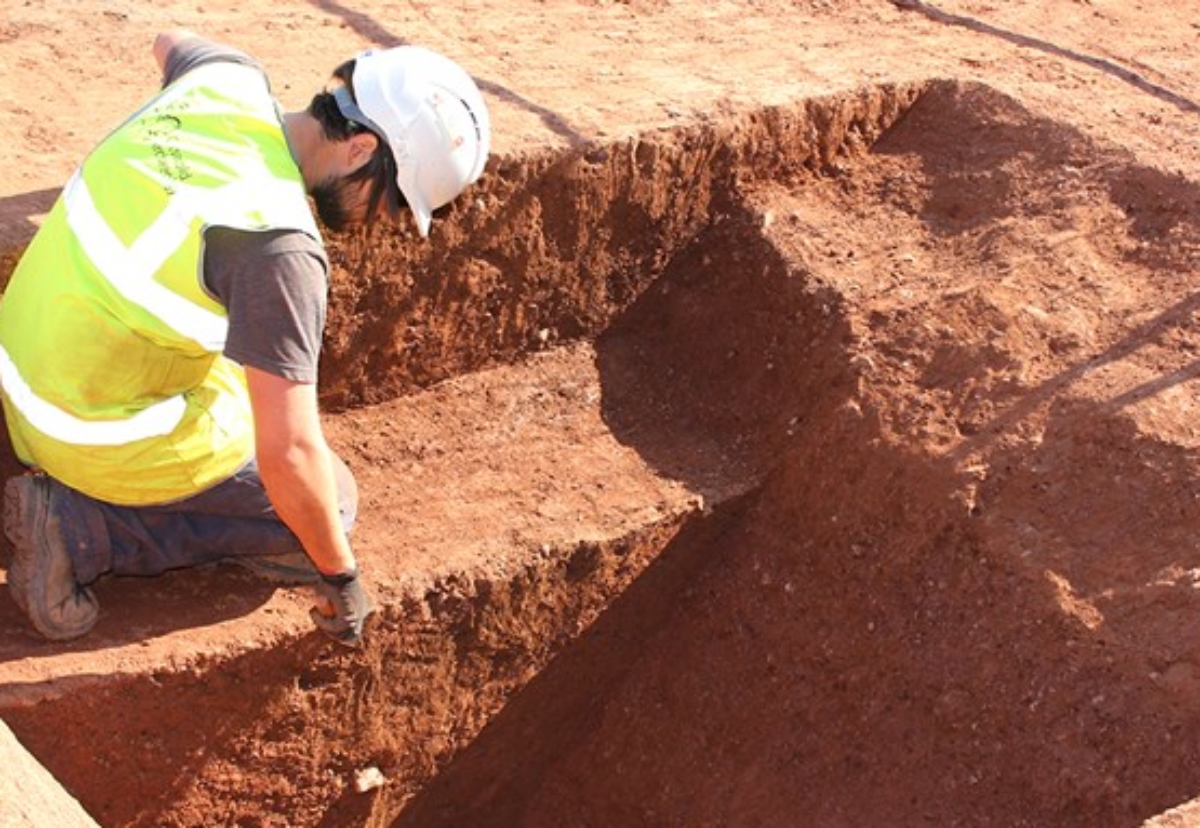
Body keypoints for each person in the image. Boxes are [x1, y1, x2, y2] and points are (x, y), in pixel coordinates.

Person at [0, 30, 491, 644]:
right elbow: (290, 456)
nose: (383, 220)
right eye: (392, 200)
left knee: (245, 373)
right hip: (82, 423)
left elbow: (169, 41)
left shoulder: (224, 78)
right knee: (326, 504)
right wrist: (340, 575)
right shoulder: (277, 248)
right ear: (361, 148)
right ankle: (80, 528)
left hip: (21, 358)